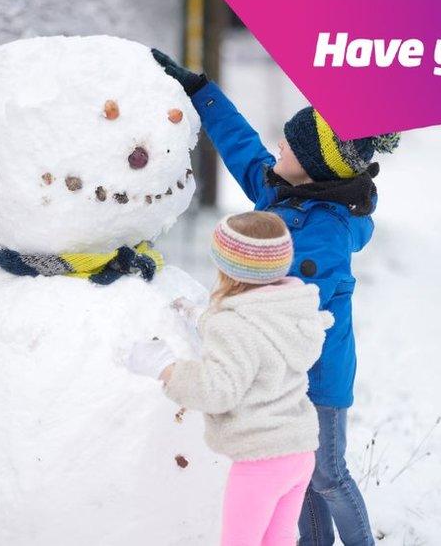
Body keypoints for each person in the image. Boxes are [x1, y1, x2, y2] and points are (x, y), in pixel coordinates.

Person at [151, 49, 401, 546]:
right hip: (282, 373)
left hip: (319, 374)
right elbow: (242, 146)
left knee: (326, 474)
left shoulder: (325, 232)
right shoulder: (282, 193)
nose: (276, 151)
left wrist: (221, 319)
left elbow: (291, 307)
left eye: (286, 147)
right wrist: (201, 91)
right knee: (299, 471)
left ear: (309, 169)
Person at [125, 211, 334, 546]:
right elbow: (253, 334)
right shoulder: (290, 310)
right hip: (298, 453)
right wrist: (201, 318)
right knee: (277, 540)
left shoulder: (234, 326)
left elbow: (217, 389)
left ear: (230, 271)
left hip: (260, 462)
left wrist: (165, 367)